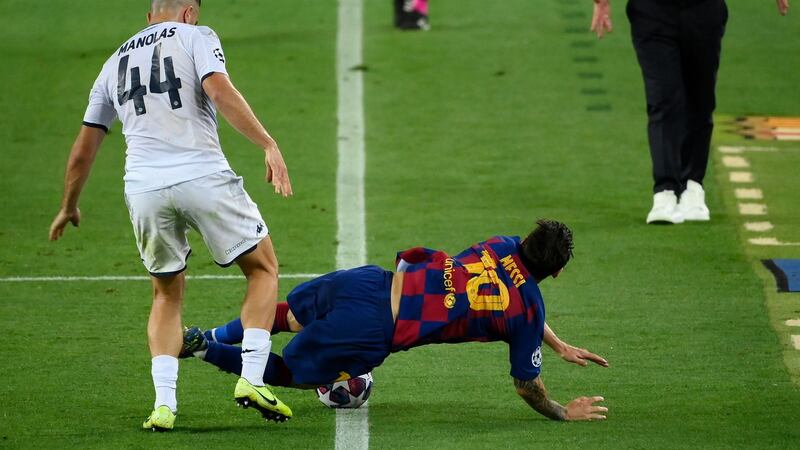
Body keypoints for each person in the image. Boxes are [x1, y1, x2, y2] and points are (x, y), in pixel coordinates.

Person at [48, 0, 294, 431]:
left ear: (149, 17)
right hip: (202, 175)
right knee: (262, 268)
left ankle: (164, 405)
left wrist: (69, 204)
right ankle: (252, 378)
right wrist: (268, 144)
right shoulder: (197, 37)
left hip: (142, 189)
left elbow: (84, 146)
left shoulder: (113, 63)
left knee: (165, 294)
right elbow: (218, 89)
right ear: (190, 13)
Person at [182, 220, 610, 421]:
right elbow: (527, 386)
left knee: (286, 315)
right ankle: (201, 346)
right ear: (555, 273)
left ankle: (217, 332)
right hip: (375, 328)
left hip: (368, 281)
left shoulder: (501, 244)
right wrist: (560, 412)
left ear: (526, 240)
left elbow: (513, 291)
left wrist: (553, 341)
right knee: (288, 372)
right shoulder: (528, 311)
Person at [600, 0, 789, 224]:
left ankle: (692, 186)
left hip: (704, 10)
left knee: (701, 100)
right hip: (650, 12)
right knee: (663, 100)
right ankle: (665, 191)